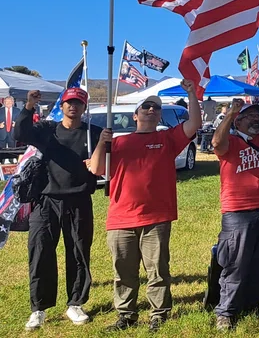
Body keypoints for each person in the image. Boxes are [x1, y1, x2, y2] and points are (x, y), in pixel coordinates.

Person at [87, 82, 201, 330]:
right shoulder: (117, 143)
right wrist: (101, 143)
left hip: (156, 216)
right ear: (135, 115)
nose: (152, 110)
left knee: (157, 270)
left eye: (156, 108)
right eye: (146, 106)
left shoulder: (167, 138)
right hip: (121, 217)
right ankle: (126, 315)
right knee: (123, 271)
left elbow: (194, 124)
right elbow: (96, 169)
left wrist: (192, 93)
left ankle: (159, 314)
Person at [16, 88, 105, 330]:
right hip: (46, 201)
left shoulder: (93, 133)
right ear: (62, 105)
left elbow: (103, 166)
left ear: (84, 107)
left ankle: (75, 303)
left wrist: (104, 142)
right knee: (40, 253)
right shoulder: (47, 131)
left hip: (79, 201)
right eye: (69, 103)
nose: (73, 107)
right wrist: (29, 106)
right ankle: (39, 308)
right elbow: (20, 133)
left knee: (78, 253)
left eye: (78, 103)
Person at [210, 76, 259, 331]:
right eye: (249, 116)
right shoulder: (231, 142)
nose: (256, 118)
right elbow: (216, 143)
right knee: (236, 262)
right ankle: (226, 311)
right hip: (239, 211)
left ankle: (253, 305)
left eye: (258, 114)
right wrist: (229, 114)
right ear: (239, 121)